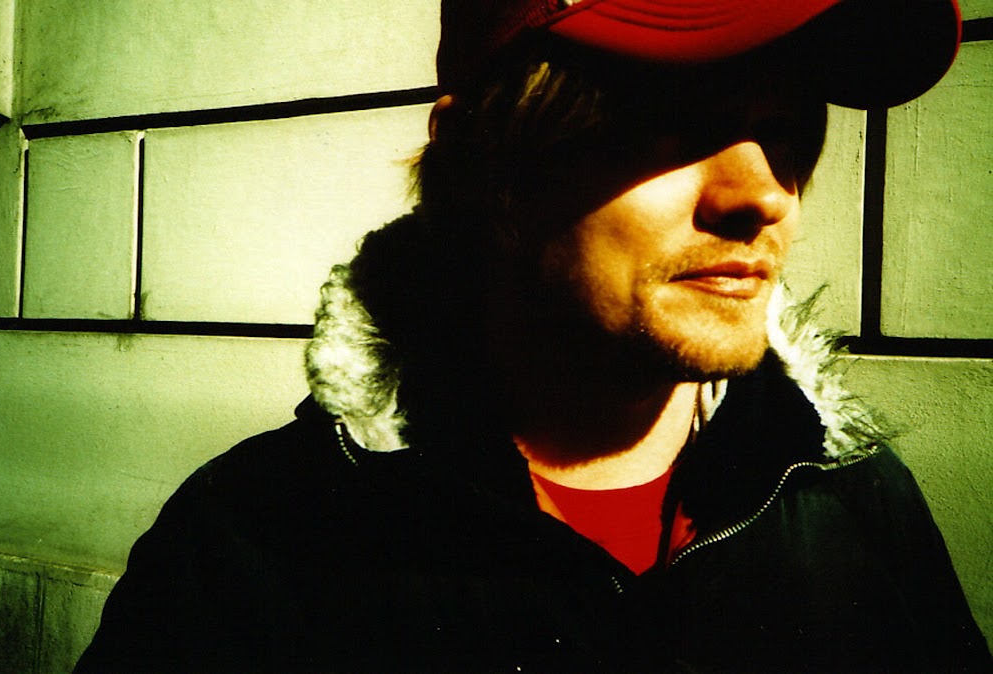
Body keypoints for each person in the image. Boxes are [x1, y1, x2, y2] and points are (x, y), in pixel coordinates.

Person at [77, 1, 990, 672]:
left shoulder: (855, 502)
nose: (762, 195)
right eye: (672, 120)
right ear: (477, 161)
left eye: (783, 129)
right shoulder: (258, 544)